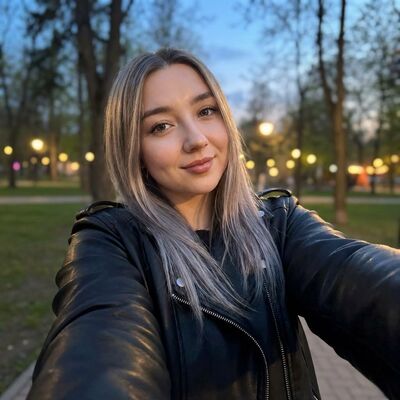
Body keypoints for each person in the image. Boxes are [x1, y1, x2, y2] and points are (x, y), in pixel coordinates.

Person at [27, 48, 400, 400]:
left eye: (206, 111)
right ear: (133, 149)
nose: (197, 139)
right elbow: (99, 353)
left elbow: (360, 278)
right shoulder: (112, 243)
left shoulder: (279, 223)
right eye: (161, 126)